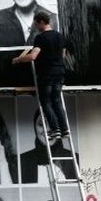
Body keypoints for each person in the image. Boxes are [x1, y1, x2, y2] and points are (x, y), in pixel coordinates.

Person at [13, 11, 68, 140]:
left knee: (46, 102)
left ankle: (55, 129)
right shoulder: (60, 36)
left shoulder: (41, 38)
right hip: (60, 73)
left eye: (36, 24)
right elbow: (63, 55)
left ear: (41, 22)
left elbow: (33, 56)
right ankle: (65, 130)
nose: (36, 27)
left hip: (47, 74)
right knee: (57, 101)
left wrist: (18, 60)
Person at [20, 109, 78, 184]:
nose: (47, 129)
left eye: (53, 124)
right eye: (41, 124)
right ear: (35, 128)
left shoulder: (74, 158)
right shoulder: (23, 160)